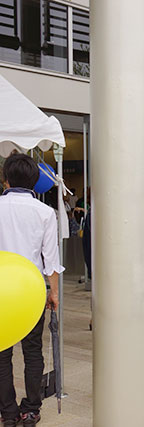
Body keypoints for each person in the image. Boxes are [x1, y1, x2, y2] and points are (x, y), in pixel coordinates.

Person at [0, 153, 64, 426]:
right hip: (31, 289)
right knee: (33, 349)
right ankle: (31, 409)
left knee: (1, 353)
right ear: (35, 181)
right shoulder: (45, 213)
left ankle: (8, 411)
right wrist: (54, 293)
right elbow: (51, 260)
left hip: (1, 288)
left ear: (5, 180)